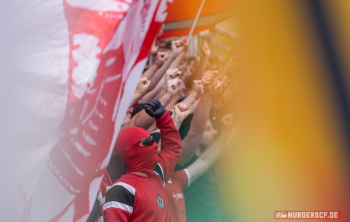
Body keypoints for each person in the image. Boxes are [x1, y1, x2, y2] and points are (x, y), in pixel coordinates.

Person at [103, 98, 182, 222]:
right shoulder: (121, 190)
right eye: (147, 142)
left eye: (152, 140)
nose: (155, 145)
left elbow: (172, 149)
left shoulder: (157, 173)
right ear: (130, 151)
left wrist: (163, 118)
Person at [166, 114, 235, 222]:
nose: (214, 132)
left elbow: (228, 141)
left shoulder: (209, 159)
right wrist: (206, 97)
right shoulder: (183, 161)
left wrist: (227, 129)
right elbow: (194, 133)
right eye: (208, 129)